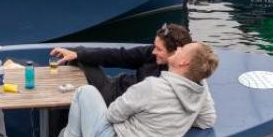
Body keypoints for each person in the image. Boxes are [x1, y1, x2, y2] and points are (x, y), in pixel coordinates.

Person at [43, 42, 217, 137]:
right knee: (67, 133)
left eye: (183, 49)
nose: (178, 48)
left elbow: (112, 115)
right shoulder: (200, 91)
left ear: (183, 63)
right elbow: (207, 120)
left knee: (85, 92)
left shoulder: (152, 87)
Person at [49, 23, 193, 106]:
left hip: (115, 100)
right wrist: (78, 53)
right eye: (154, 46)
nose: (154, 51)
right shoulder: (151, 54)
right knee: (78, 54)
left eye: (159, 49)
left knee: (79, 60)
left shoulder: (173, 82)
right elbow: (119, 56)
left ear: (176, 52)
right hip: (115, 84)